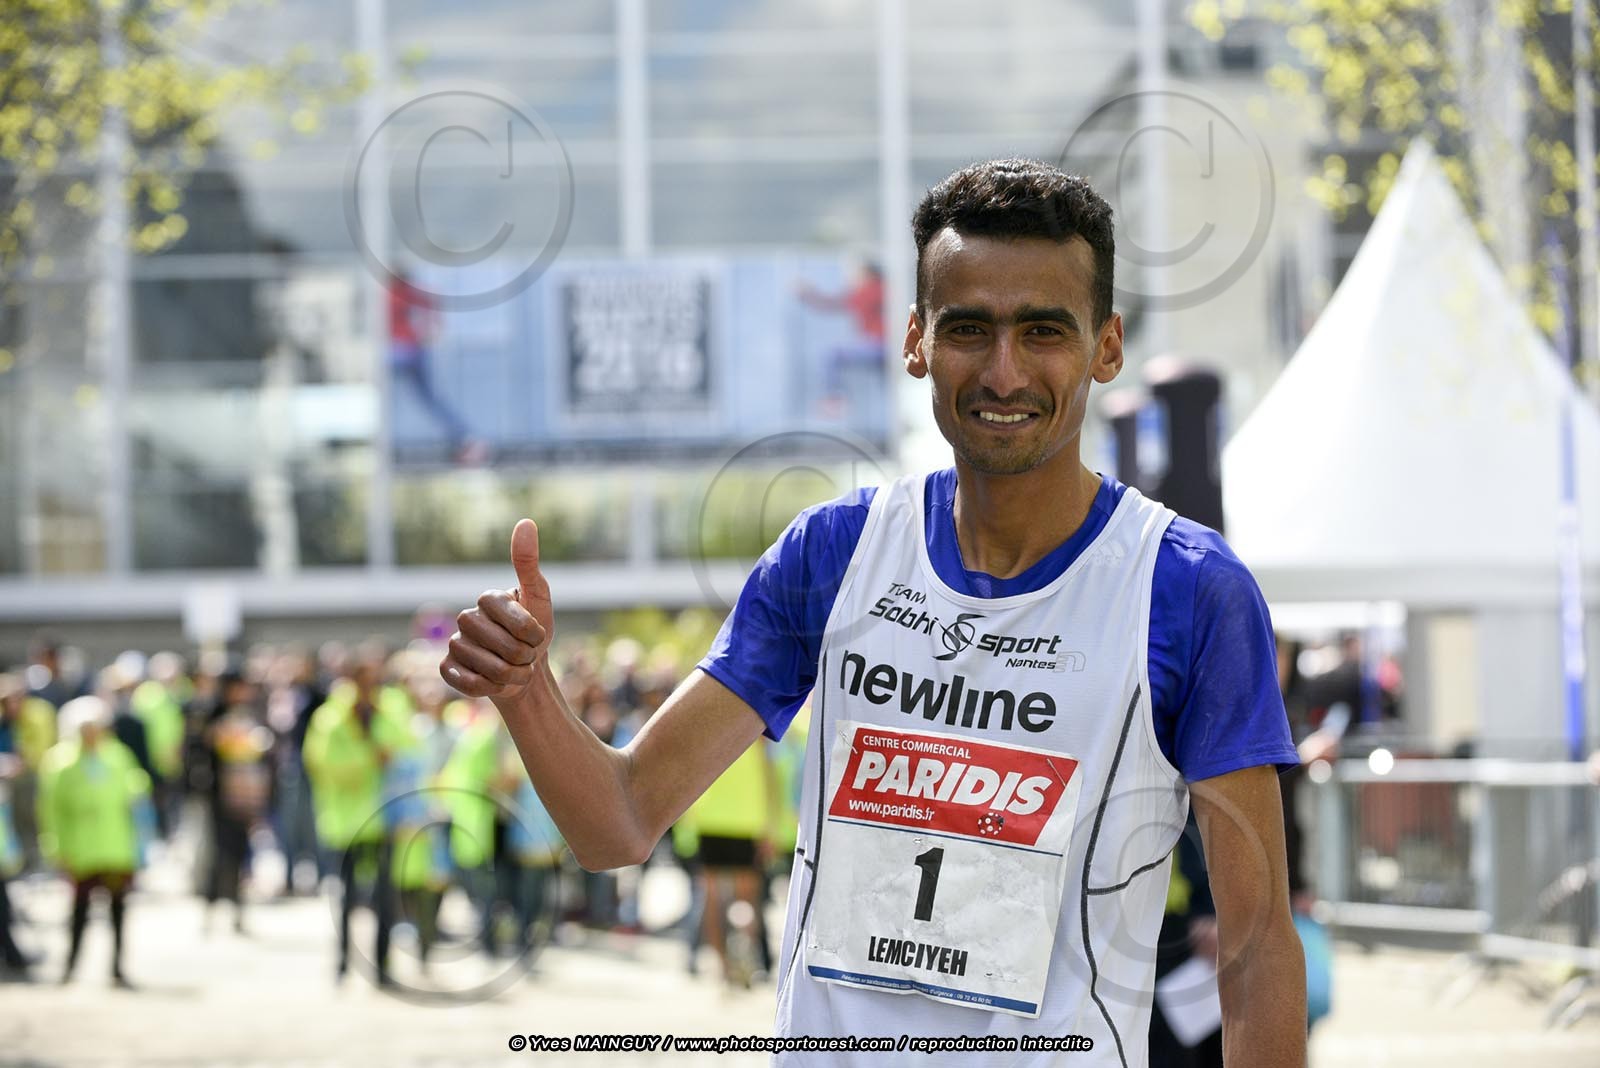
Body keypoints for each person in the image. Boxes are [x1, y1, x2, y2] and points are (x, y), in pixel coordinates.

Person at [441, 158, 1307, 1065]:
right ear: (916, 342)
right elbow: (618, 822)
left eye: (1043, 330)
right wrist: (525, 691)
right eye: (967, 328)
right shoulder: (834, 553)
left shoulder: (1187, 588)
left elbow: (1254, 950)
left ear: (1108, 347)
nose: (1004, 371)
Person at [37, 696, 152, 987]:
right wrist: (56, 846)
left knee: (118, 909)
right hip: (81, 847)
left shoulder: (117, 755)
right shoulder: (60, 761)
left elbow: (136, 791)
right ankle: (70, 966)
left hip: (115, 845)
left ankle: (117, 968)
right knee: (79, 910)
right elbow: (51, 810)